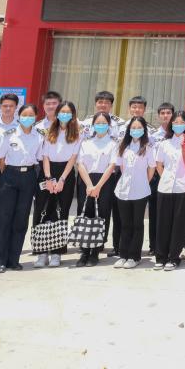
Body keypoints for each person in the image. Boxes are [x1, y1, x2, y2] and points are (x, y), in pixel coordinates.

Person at [0, 102, 44, 272]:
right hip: (9, 176)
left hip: (28, 177)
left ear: (35, 117)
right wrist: (8, 175)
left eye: (31, 115)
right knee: (4, 218)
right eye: (24, 115)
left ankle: (14, 259)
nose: (27, 118)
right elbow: (1, 158)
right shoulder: (9, 135)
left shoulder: (39, 136)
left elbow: (39, 158)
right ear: (19, 116)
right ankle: (1, 261)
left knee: (21, 219)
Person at [34, 100, 82, 268]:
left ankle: (57, 253)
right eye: (62, 112)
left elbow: (73, 158)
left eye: (68, 112)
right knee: (42, 211)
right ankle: (41, 253)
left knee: (61, 213)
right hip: (47, 173)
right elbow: (45, 156)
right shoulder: (49, 132)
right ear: (57, 114)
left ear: (73, 115)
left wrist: (61, 180)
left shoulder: (77, 134)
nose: (65, 115)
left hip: (65, 175)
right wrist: (48, 179)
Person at [74, 112, 118, 267]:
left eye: (104, 123)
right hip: (86, 181)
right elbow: (80, 164)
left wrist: (98, 186)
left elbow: (111, 166)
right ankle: (84, 251)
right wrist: (89, 185)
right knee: (86, 214)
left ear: (109, 125)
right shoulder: (86, 142)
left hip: (104, 182)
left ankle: (95, 252)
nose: (101, 126)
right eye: (98, 123)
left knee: (102, 215)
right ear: (93, 125)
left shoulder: (113, 144)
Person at [111, 116, 156, 269]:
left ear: (144, 130)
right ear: (129, 130)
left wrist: (143, 182)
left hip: (140, 191)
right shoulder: (123, 146)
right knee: (125, 224)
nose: (136, 130)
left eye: (139, 128)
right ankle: (123, 255)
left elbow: (151, 168)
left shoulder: (148, 147)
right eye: (133, 128)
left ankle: (134, 256)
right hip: (123, 190)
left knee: (137, 224)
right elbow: (121, 167)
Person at [153, 110, 185, 271]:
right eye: (175, 122)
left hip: (183, 188)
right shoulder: (165, 143)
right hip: (165, 188)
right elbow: (159, 164)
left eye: (181, 122)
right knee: (163, 223)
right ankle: (160, 256)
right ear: (171, 125)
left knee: (179, 224)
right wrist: (165, 177)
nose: (178, 125)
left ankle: (174, 257)